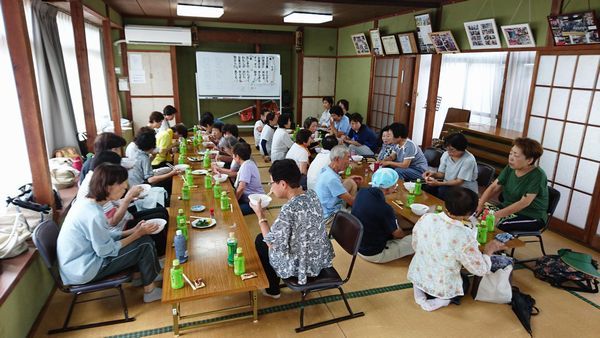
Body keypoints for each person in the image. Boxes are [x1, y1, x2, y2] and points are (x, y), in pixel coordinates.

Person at [57, 163, 163, 303]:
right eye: (123, 186)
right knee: (143, 243)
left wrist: (131, 231)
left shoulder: (87, 203)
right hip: (84, 269)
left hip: (80, 263)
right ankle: (150, 291)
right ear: (109, 187)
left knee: (141, 239)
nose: (125, 189)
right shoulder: (93, 214)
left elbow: (103, 235)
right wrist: (137, 235)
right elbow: (105, 251)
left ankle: (145, 276)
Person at [407, 187, 505, 311]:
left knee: (431, 263)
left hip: (418, 272)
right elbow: (480, 270)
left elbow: (415, 244)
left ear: (445, 205)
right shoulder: (464, 235)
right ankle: (442, 300)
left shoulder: (427, 218)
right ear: (470, 213)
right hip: (441, 285)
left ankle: (420, 291)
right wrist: (488, 252)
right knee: (465, 282)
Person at [251, 159, 334, 298]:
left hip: (302, 266)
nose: (271, 188)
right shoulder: (312, 195)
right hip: (319, 258)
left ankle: (273, 290)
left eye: (272, 183)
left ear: (283, 184)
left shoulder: (289, 209)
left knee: (261, 241)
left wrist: (260, 215)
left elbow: (272, 243)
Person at [477, 138, 549, 233]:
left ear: (530, 160)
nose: (511, 158)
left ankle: (495, 246)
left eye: (516, 155)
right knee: (475, 211)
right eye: (511, 153)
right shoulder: (510, 168)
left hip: (531, 215)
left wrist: (497, 215)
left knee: (499, 224)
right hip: (508, 207)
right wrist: (480, 204)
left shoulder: (538, 175)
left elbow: (524, 203)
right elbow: (494, 187)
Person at [352, 168, 413, 263]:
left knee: (396, 222)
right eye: (395, 185)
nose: (395, 187)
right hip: (372, 253)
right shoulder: (385, 208)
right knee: (415, 240)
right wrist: (407, 235)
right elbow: (398, 234)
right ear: (388, 189)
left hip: (356, 243)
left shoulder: (362, 192)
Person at [315, 145, 363, 225]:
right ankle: (352, 213)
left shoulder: (326, 169)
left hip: (322, 210)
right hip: (328, 217)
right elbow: (352, 201)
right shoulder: (331, 179)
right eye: (347, 158)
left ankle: (351, 211)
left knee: (350, 182)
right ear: (337, 159)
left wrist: (349, 179)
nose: (349, 161)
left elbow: (336, 182)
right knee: (363, 216)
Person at [128, 130, 182, 199]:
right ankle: (168, 201)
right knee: (171, 179)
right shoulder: (144, 157)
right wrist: (171, 174)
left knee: (168, 170)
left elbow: (143, 167)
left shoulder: (136, 150)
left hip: (134, 184)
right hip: (142, 187)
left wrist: (153, 155)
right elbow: (151, 180)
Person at [422, 133, 478, 199]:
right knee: (426, 186)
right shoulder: (446, 155)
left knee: (443, 190)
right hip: (448, 184)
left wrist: (439, 183)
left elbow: (459, 181)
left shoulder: (469, 160)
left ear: (461, 148)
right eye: (447, 149)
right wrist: (432, 174)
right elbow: (441, 174)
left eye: (452, 149)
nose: (449, 152)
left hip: (464, 188)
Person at [233, 143, 264, 215]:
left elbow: (241, 188)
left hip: (254, 202)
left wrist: (235, 201)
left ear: (237, 157)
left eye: (233, 155)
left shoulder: (246, 166)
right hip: (249, 198)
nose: (233, 157)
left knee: (232, 210)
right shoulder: (249, 163)